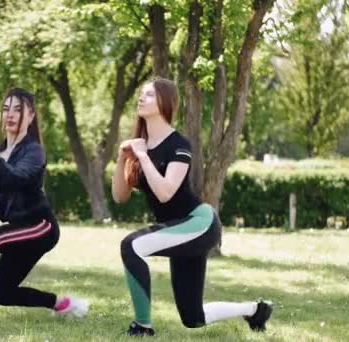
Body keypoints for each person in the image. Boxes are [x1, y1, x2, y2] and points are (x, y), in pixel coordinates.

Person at [112, 78, 272, 336]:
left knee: (131, 245)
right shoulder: (140, 145)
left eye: (149, 95)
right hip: (179, 230)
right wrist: (122, 159)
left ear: (166, 101)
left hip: (200, 223)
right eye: (141, 94)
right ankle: (256, 310)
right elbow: (120, 196)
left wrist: (142, 155)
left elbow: (165, 192)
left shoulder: (179, 145)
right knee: (193, 318)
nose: (141, 98)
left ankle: (142, 326)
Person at [0, 88, 89, 328]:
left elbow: (12, 179)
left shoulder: (34, 151)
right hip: (18, 226)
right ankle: (62, 304)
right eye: (6, 109)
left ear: (31, 117)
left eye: (18, 109)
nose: (10, 114)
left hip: (40, 226)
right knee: (3, 293)